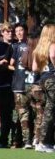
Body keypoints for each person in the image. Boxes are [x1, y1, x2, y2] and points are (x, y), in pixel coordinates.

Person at [8, 25, 36, 149]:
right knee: (21, 115)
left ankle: (36, 139)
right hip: (19, 85)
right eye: (17, 31)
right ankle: (22, 140)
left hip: (33, 84)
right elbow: (10, 64)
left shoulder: (33, 45)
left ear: (26, 31)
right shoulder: (14, 46)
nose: (19, 33)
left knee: (35, 113)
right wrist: (19, 71)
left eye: (21, 30)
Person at [29, 24, 55, 152]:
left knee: (47, 110)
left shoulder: (39, 48)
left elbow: (34, 68)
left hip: (43, 79)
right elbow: (54, 56)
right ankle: (44, 142)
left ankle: (44, 141)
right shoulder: (52, 45)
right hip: (52, 79)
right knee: (50, 110)